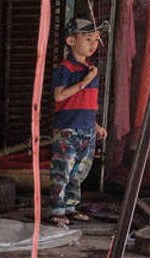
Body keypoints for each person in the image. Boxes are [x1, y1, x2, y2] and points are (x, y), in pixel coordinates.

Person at [48, 17, 110, 229]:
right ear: (71, 41)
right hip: (67, 130)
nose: (93, 44)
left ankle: (70, 207)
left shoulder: (92, 68)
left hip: (86, 129)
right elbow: (59, 96)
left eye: (96, 39)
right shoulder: (65, 69)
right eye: (87, 38)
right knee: (62, 172)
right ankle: (56, 211)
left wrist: (96, 125)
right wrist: (84, 81)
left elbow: (89, 103)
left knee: (78, 173)